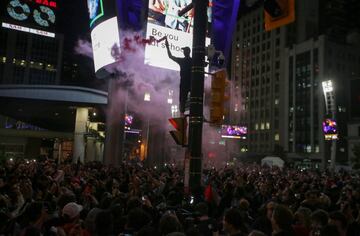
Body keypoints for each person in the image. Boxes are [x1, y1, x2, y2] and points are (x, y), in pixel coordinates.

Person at [165, 37, 192, 116]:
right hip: (189, 83)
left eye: (184, 51)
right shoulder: (190, 60)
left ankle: (182, 114)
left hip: (185, 83)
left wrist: (167, 47)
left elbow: (170, 56)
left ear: (187, 52)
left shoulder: (183, 61)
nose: (183, 52)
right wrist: (167, 46)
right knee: (186, 100)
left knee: (183, 100)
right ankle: (183, 114)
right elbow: (171, 56)